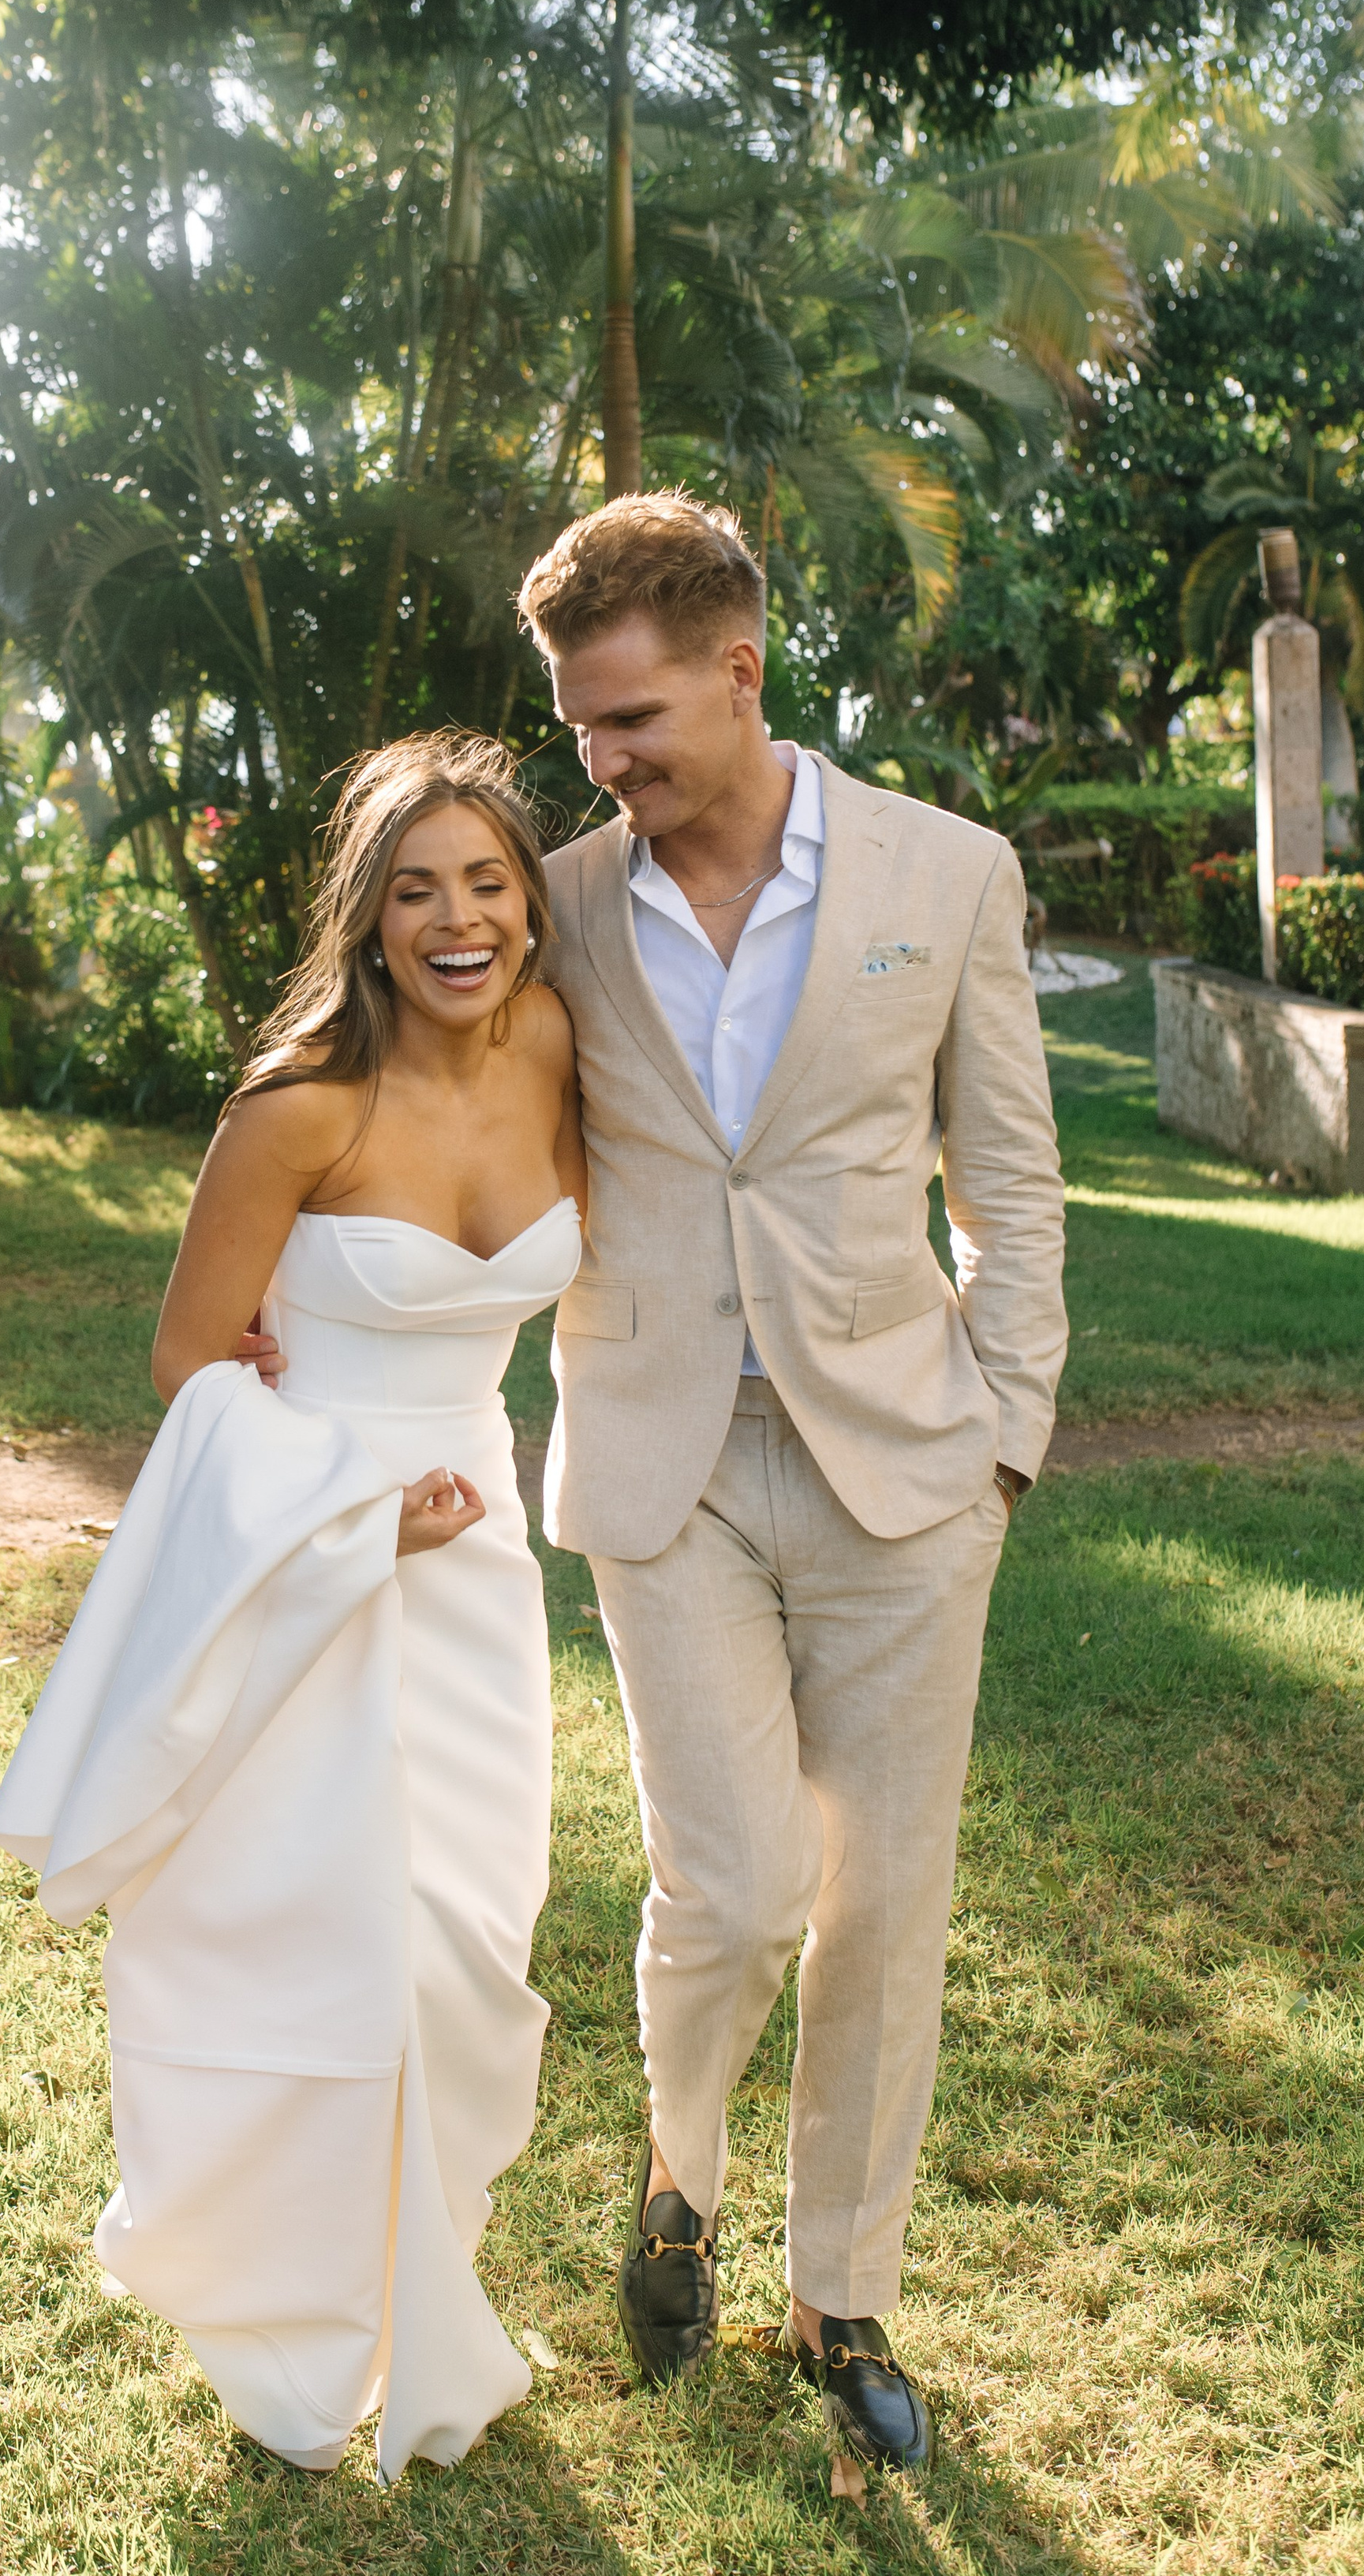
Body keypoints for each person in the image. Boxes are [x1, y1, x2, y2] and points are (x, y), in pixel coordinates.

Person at [517, 490, 1067, 2484]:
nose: (603, 763)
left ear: (739, 675)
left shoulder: (949, 869)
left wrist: (1002, 1433)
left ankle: (838, 2296)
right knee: (733, 1887)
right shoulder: (561, 896)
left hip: (902, 1469)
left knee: (882, 1906)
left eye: (633, 720)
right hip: (661, 1461)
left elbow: (1006, 1180)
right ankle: (680, 2175)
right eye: (579, 726)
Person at [0, 731, 583, 2485]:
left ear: (530, 906)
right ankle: (300, 2333)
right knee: (314, 1953)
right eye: (414, 891)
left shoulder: (559, 1047)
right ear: (368, 916)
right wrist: (342, 1511)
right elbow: (188, 1358)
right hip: (315, 1568)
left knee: (470, 1943)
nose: (454, 919)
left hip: (474, 1562)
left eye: (484, 882)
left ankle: (427, 2274)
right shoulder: (296, 1106)